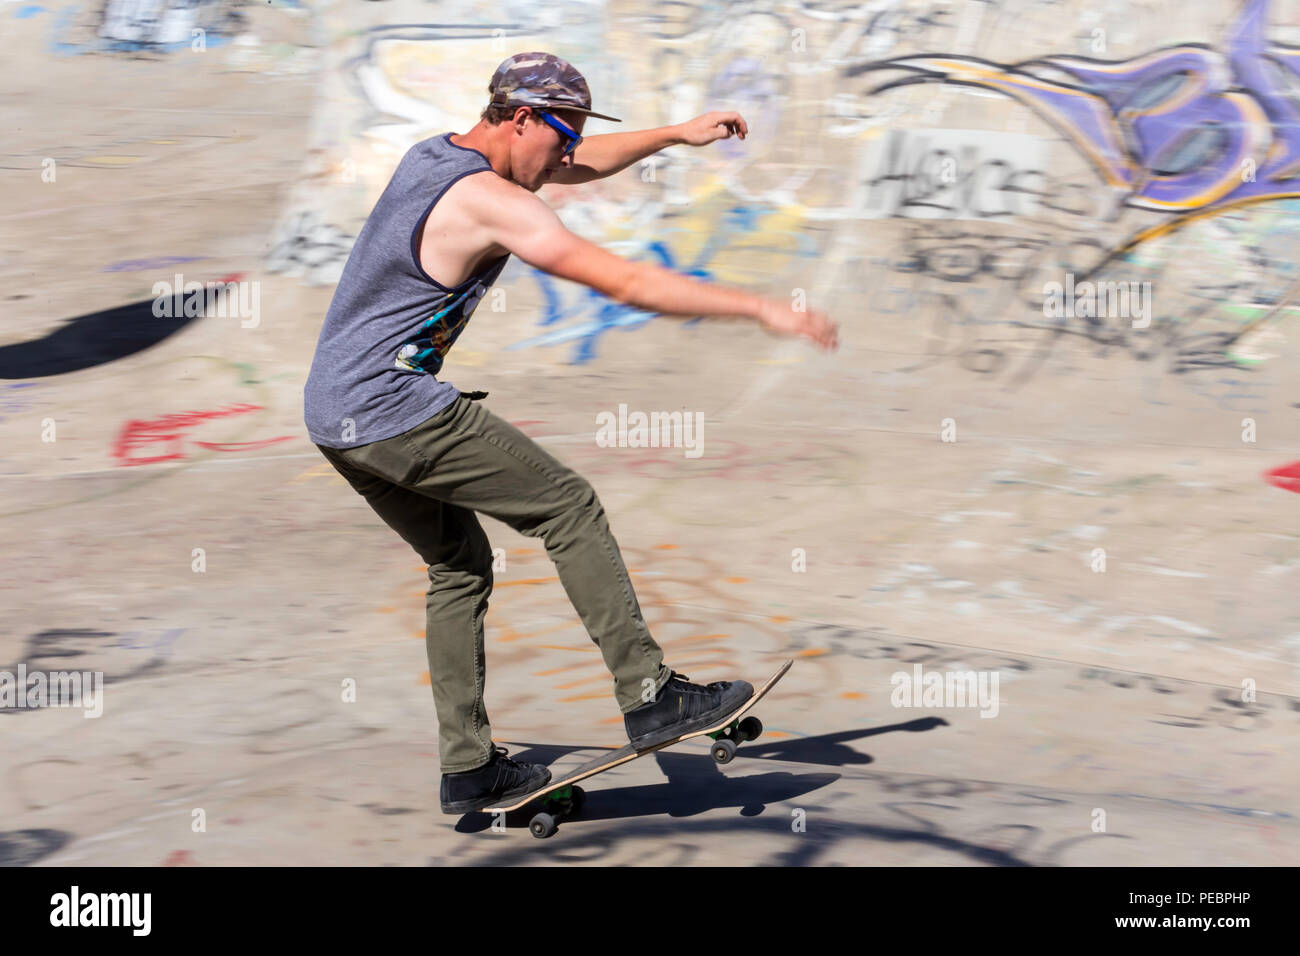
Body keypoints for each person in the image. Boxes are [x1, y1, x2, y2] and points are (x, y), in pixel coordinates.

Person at [303, 51, 839, 814]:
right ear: (521, 118)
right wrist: (756, 307)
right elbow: (623, 281)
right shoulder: (492, 202)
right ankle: (650, 692)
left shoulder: (436, 153)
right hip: (393, 405)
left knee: (459, 566)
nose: (567, 155)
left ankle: (469, 767)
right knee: (568, 506)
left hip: (335, 414)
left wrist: (677, 135)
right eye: (561, 136)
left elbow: (577, 165)